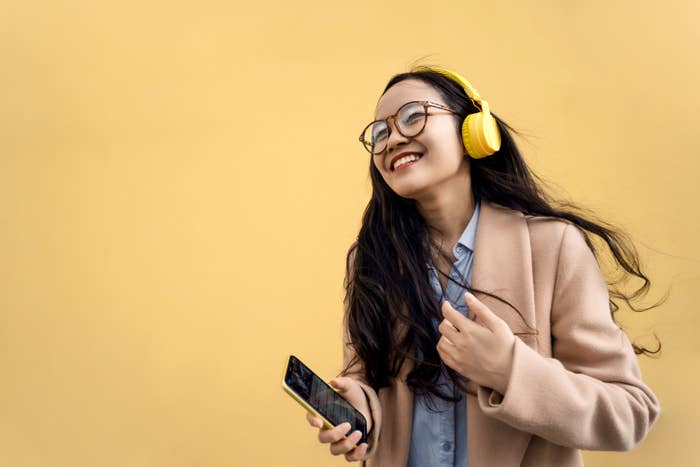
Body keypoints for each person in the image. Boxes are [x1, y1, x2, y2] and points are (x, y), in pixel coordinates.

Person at [305, 66, 661, 466]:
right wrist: (359, 407)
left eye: (412, 116)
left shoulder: (553, 246)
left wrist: (508, 371)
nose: (394, 139)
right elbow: (365, 378)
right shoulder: (370, 260)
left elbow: (630, 413)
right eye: (380, 133)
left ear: (472, 129)